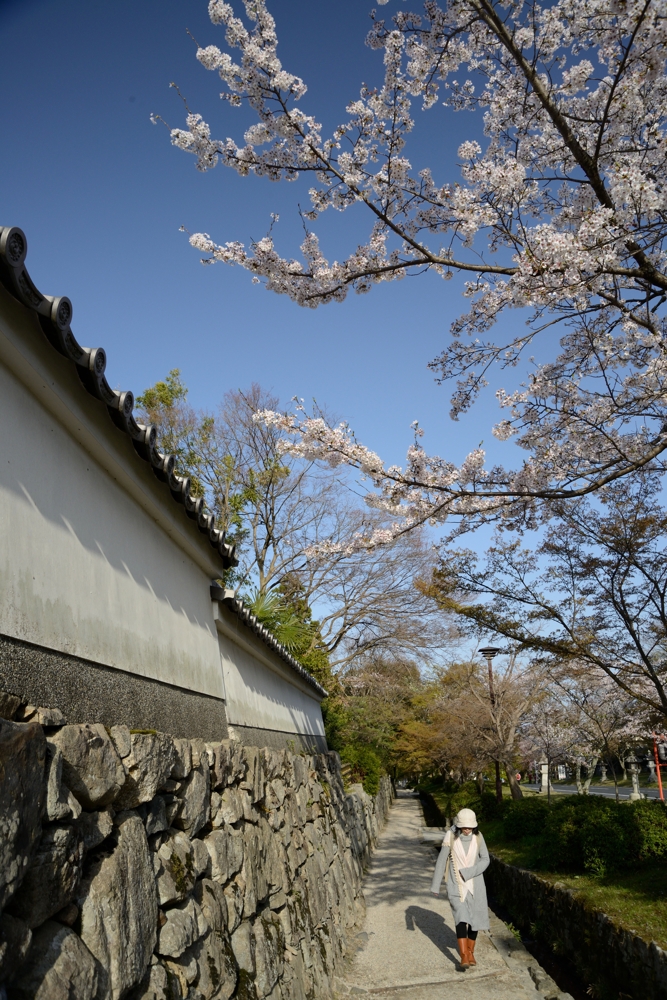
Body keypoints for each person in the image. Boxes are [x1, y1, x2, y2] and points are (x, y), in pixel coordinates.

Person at [430, 807, 490, 970]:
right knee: (461, 918)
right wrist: (436, 885)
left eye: (469, 827)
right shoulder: (450, 836)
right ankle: (463, 955)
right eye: (464, 826)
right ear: (458, 825)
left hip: (476, 884)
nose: (466, 829)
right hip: (456, 884)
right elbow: (442, 860)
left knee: (475, 921)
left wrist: (470, 872)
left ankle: (471, 952)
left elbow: (485, 859)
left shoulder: (478, 837)